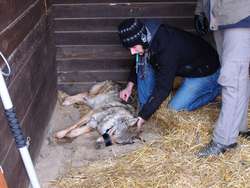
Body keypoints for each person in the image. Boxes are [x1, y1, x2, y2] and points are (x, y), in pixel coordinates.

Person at [117, 18, 221, 133]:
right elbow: (138, 60)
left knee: (173, 109)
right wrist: (129, 86)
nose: (132, 52)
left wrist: (144, 116)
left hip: (204, 70)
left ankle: (215, 89)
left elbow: (164, 88)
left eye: (134, 47)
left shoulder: (167, 48)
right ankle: (146, 105)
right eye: (129, 48)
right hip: (185, 64)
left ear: (143, 39)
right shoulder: (145, 35)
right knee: (143, 60)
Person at [195, 0, 250, 157]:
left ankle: (224, 140)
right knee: (238, 77)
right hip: (218, 16)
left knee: (233, 78)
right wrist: (200, 10)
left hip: (240, 14)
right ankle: (238, 127)